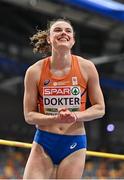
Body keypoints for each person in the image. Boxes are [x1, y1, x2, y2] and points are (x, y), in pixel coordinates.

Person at [23, 18, 105, 179]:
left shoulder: (87, 67)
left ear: (73, 40)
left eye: (68, 31)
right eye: (58, 30)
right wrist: (55, 117)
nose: (63, 33)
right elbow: (29, 116)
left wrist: (75, 116)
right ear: (48, 38)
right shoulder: (34, 71)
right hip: (44, 142)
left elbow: (100, 108)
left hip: (74, 143)